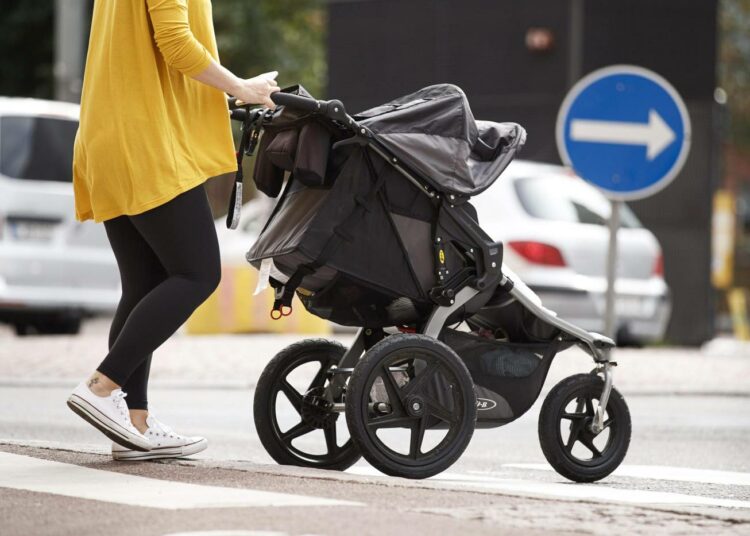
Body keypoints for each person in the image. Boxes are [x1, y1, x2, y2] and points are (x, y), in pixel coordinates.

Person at [66, 0, 279, 460]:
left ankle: (133, 423)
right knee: (198, 272)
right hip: (147, 143)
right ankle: (102, 386)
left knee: (145, 284)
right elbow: (176, 44)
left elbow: (150, 60)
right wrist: (242, 86)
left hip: (109, 139)